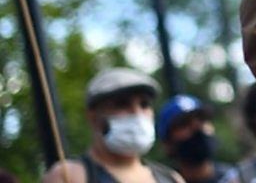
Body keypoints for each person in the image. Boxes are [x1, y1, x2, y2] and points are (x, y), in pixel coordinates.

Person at [42, 67, 182, 183]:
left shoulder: (171, 178)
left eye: (144, 104)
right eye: (122, 104)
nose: (136, 113)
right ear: (93, 116)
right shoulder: (68, 176)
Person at [156, 96, 234, 183]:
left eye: (202, 119)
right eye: (184, 123)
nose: (197, 126)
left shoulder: (237, 178)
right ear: (167, 143)